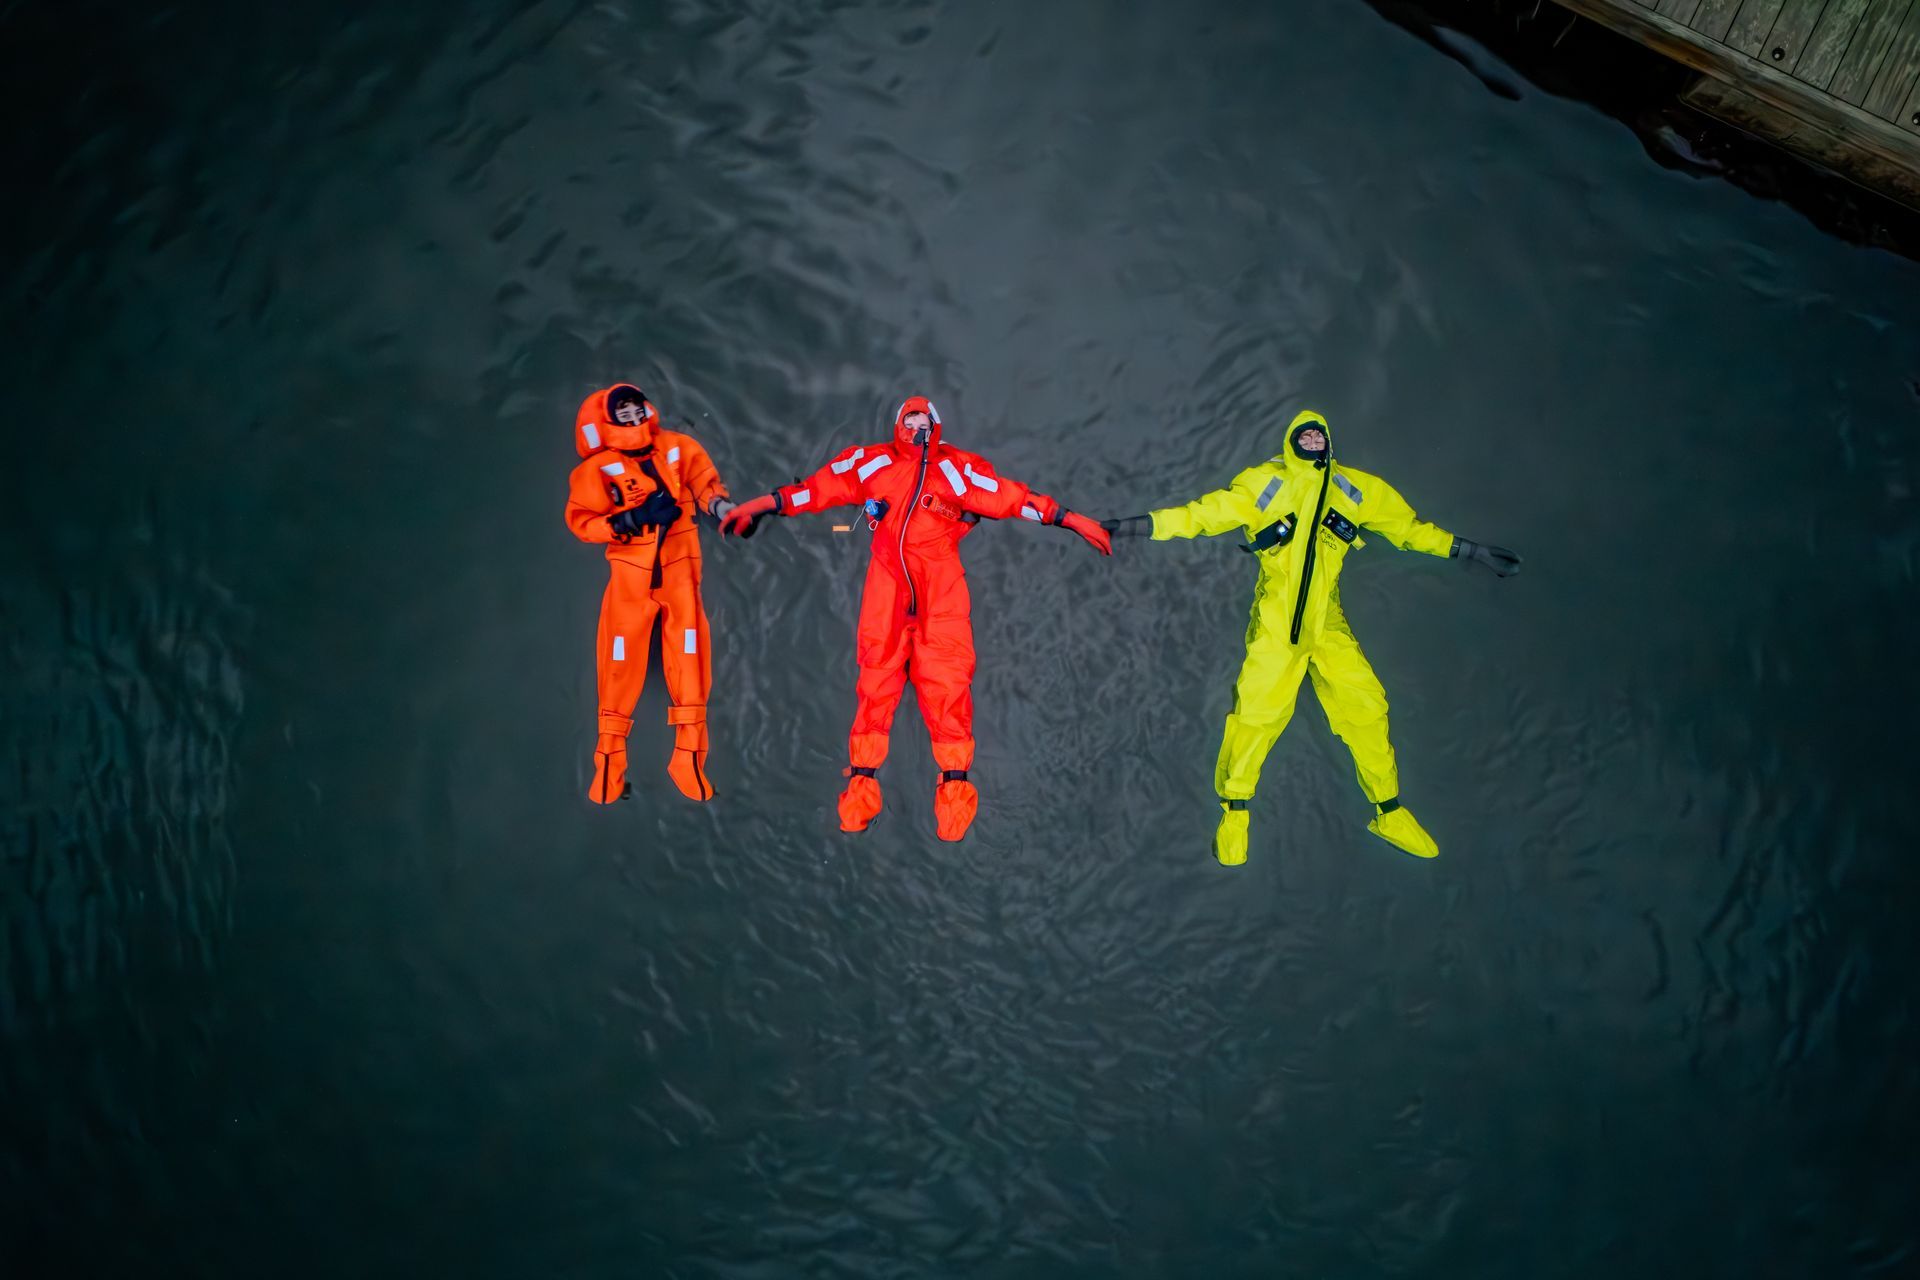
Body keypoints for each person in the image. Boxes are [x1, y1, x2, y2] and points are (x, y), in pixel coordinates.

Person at [1102, 409, 1520, 866]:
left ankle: (1389, 811)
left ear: (1329, 443)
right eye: (1305, 434)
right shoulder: (1264, 484)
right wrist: (1131, 526)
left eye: (1320, 434)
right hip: (1278, 623)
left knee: (1366, 706)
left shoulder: (1357, 490)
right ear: (1290, 442)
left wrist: (1468, 550)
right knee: (1257, 715)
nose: (1314, 440)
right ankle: (1235, 811)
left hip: (1327, 623)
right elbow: (1200, 515)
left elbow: (1408, 530)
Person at [720, 395, 1112, 840]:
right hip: (886, 583)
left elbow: (1013, 499)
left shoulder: (958, 470)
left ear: (937, 425)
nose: (917, 425)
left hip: (940, 582)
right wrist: (764, 504)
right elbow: (818, 489)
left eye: (924, 419)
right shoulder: (870, 463)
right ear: (898, 423)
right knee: (876, 680)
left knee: (947, 682)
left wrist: (1073, 520)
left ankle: (955, 790)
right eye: (910, 418)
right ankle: (861, 786)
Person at [565, 383, 735, 804]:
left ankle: (689, 756)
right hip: (630, 576)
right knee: (620, 660)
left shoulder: (678, 447)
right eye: (619, 409)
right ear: (607, 419)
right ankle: (609, 759)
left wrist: (718, 506)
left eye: (632, 404)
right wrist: (629, 520)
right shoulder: (597, 470)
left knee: (691, 656)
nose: (629, 412)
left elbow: (704, 479)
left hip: (680, 572)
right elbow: (582, 520)